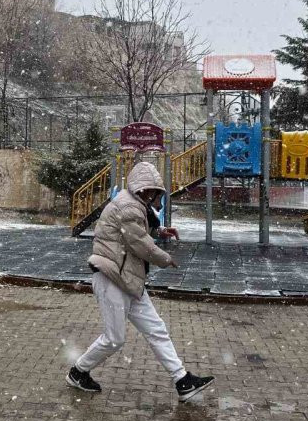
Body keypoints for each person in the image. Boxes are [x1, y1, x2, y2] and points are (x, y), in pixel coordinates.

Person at [66, 161, 214, 402]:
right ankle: (78, 371)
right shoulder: (129, 207)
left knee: (156, 330)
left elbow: (137, 233)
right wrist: (166, 259)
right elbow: (140, 244)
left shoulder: (134, 204)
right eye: (153, 191)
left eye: (155, 191)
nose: (154, 196)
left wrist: (160, 232)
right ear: (142, 188)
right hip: (111, 277)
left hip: (129, 279)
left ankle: (182, 381)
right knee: (115, 339)